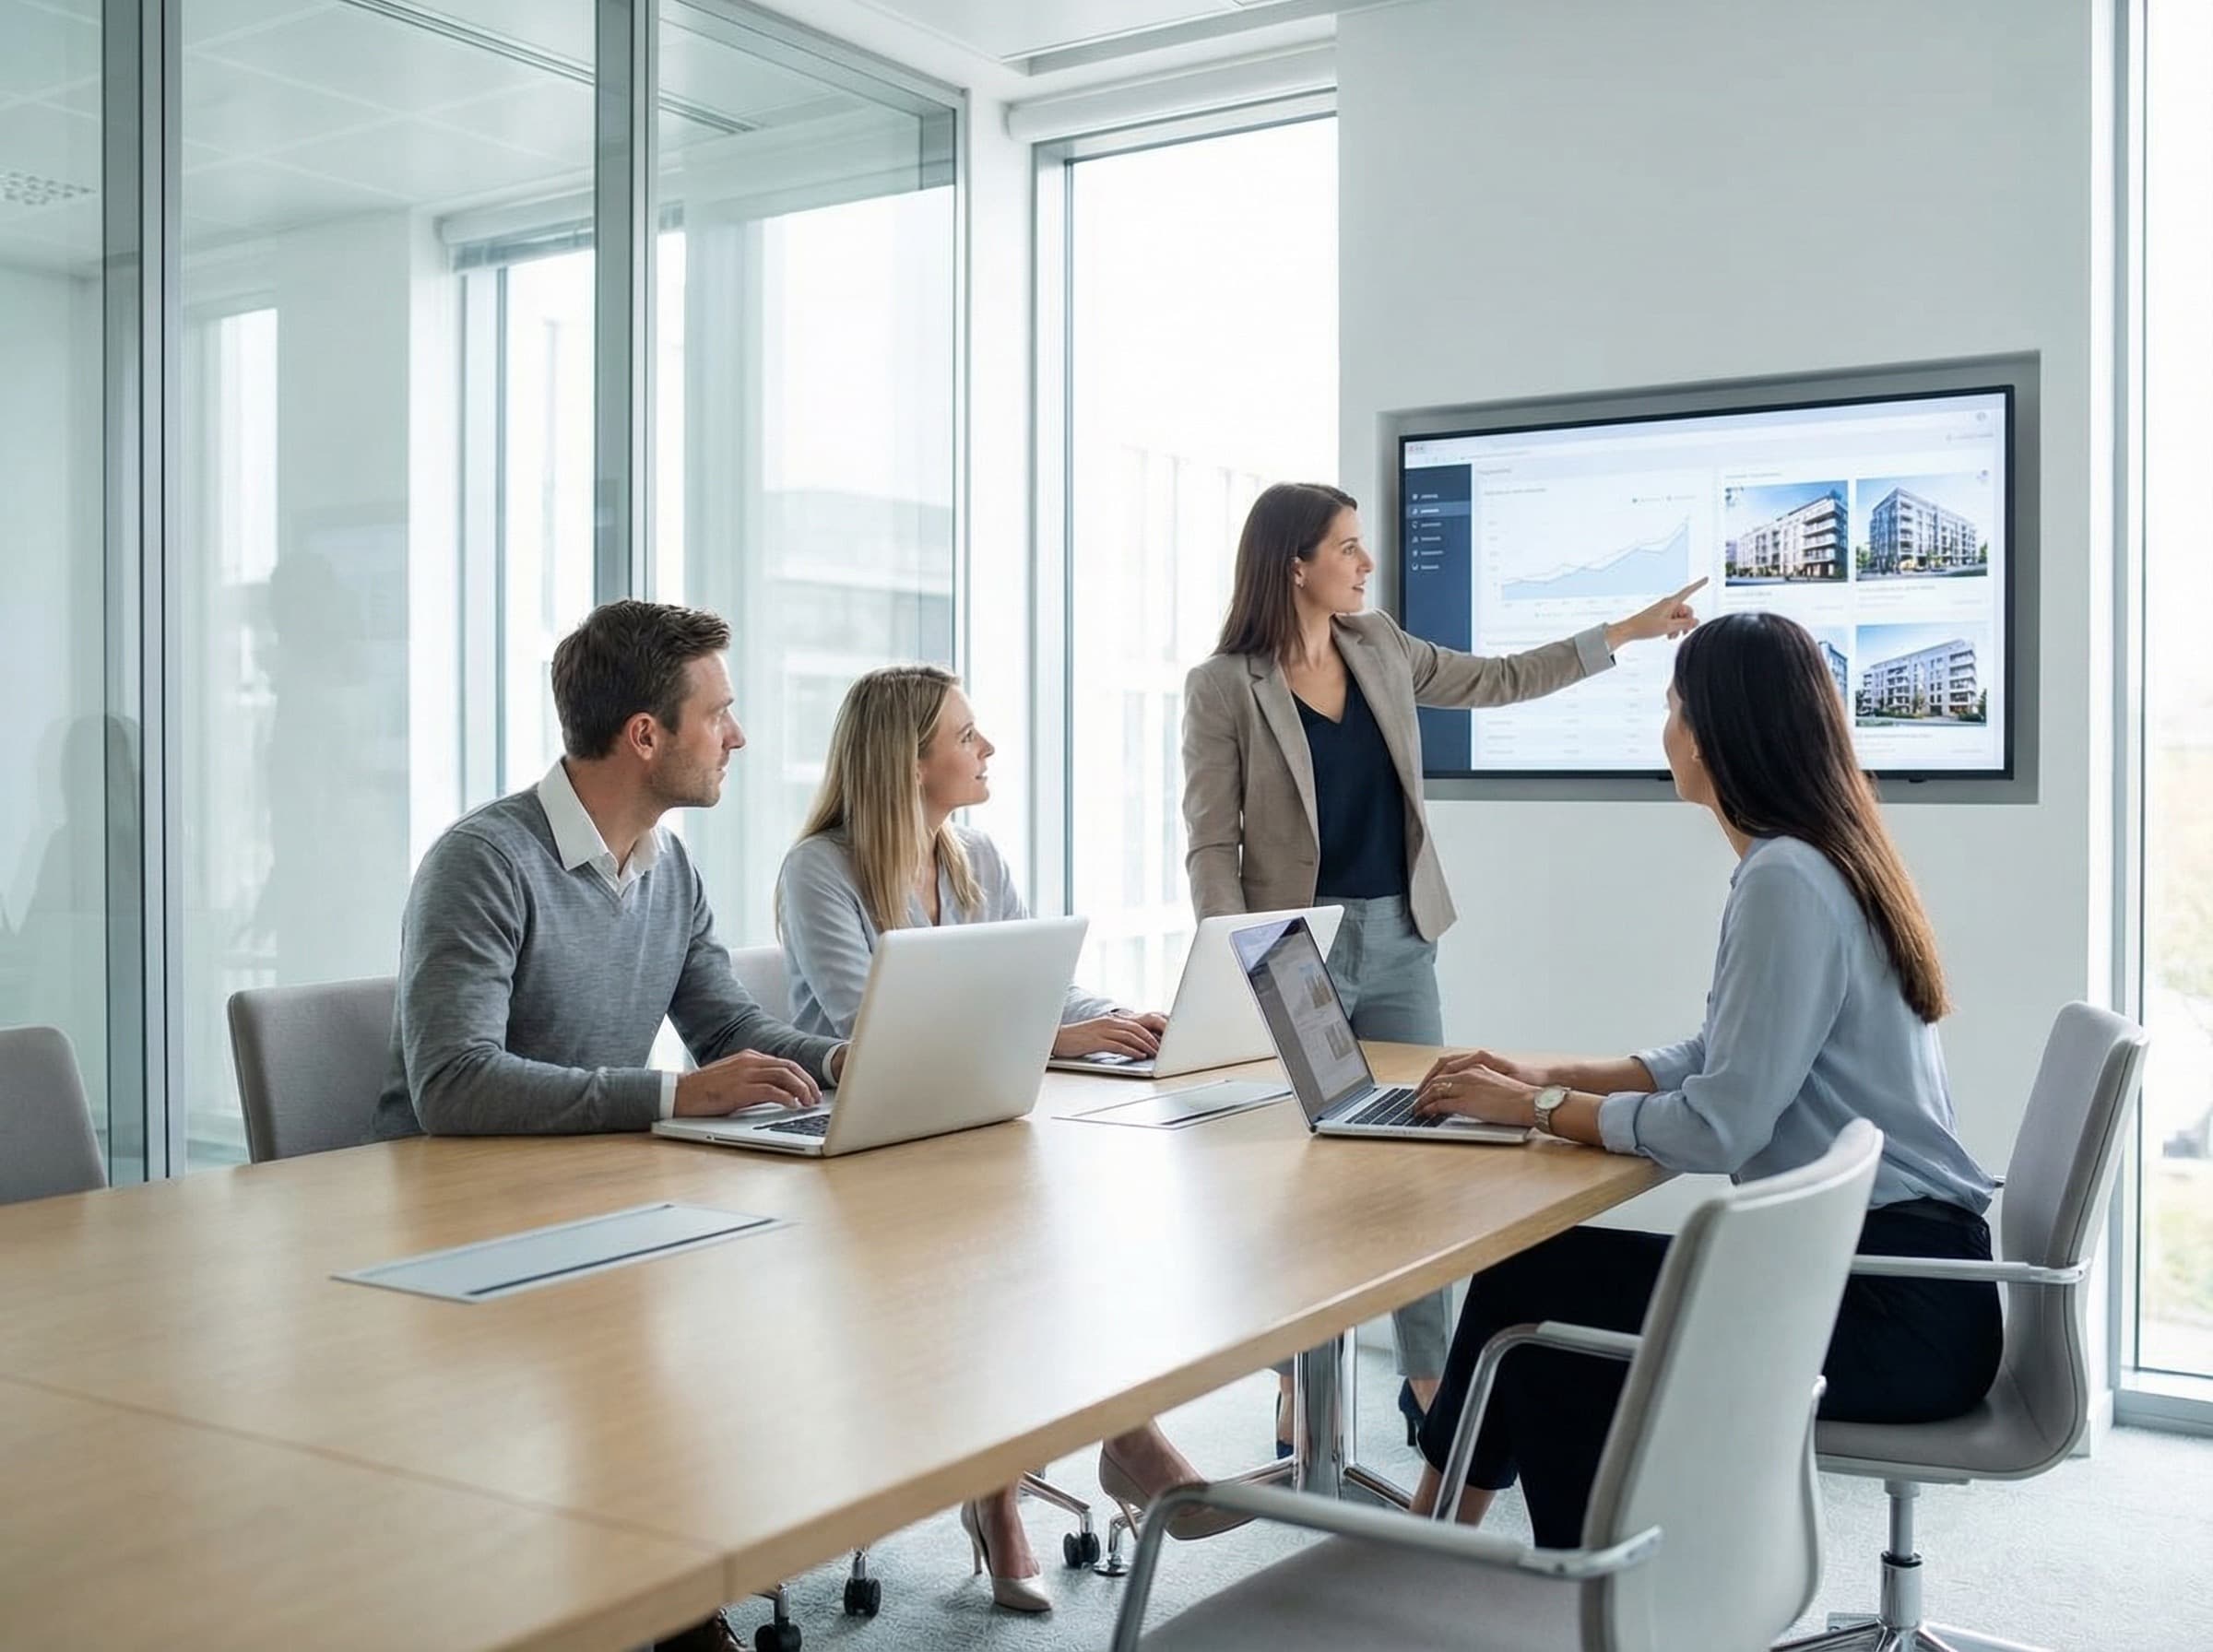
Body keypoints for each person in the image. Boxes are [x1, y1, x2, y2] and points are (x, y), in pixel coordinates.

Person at [1405, 610, 2003, 1546]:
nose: (1667, 729)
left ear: (1718, 731)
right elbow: (1720, 1055)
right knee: (1535, 1275)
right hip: (1893, 1280)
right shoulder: (1815, 858)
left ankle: (1542, 1587)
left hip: (1890, 1308)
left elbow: (1720, 1125)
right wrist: (1544, 1071)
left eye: (1675, 705)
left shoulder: (1787, 879)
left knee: (1543, 1304)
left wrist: (1540, 1109)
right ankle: (1442, 1553)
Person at [1180, 480, 1699, 1452]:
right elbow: (1212, 841)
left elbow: (1498, 678)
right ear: (1295, 562)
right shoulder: (1226, 686)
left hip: (1404, 935)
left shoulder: (1376, 643)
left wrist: (1622, 631)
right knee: (1314, 1180)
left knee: (1423, 1155)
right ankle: (1304, 1374)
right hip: (1296, 951)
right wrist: (1236, 952)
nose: (1365, 563)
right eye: (1347, 546)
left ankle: (1430, 1372)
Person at [374, 599, 846, 1652]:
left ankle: (675, 1604)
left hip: (591, 1201)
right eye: (718, 714)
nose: (737, 736)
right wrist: (675, 1096)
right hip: (452, 1236)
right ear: (647, 734)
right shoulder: (485, 859)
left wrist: (848, 1058)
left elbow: (726, 1023)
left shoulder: (668, 867)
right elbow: (453, 1083)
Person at [775, 664, 1241, 1616]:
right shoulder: (819, 869)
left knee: (1077, 1217)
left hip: (973, 1124)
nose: (988, 751)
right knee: (1007, 1240)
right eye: (968, 735)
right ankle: (1026, 1480)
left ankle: (1104, 1438)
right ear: (910, 761)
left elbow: (1040, 980)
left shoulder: (973, 856)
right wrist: (1056, 1036)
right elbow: (876, 1020)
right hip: (867, 1152)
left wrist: (1120, 1016)